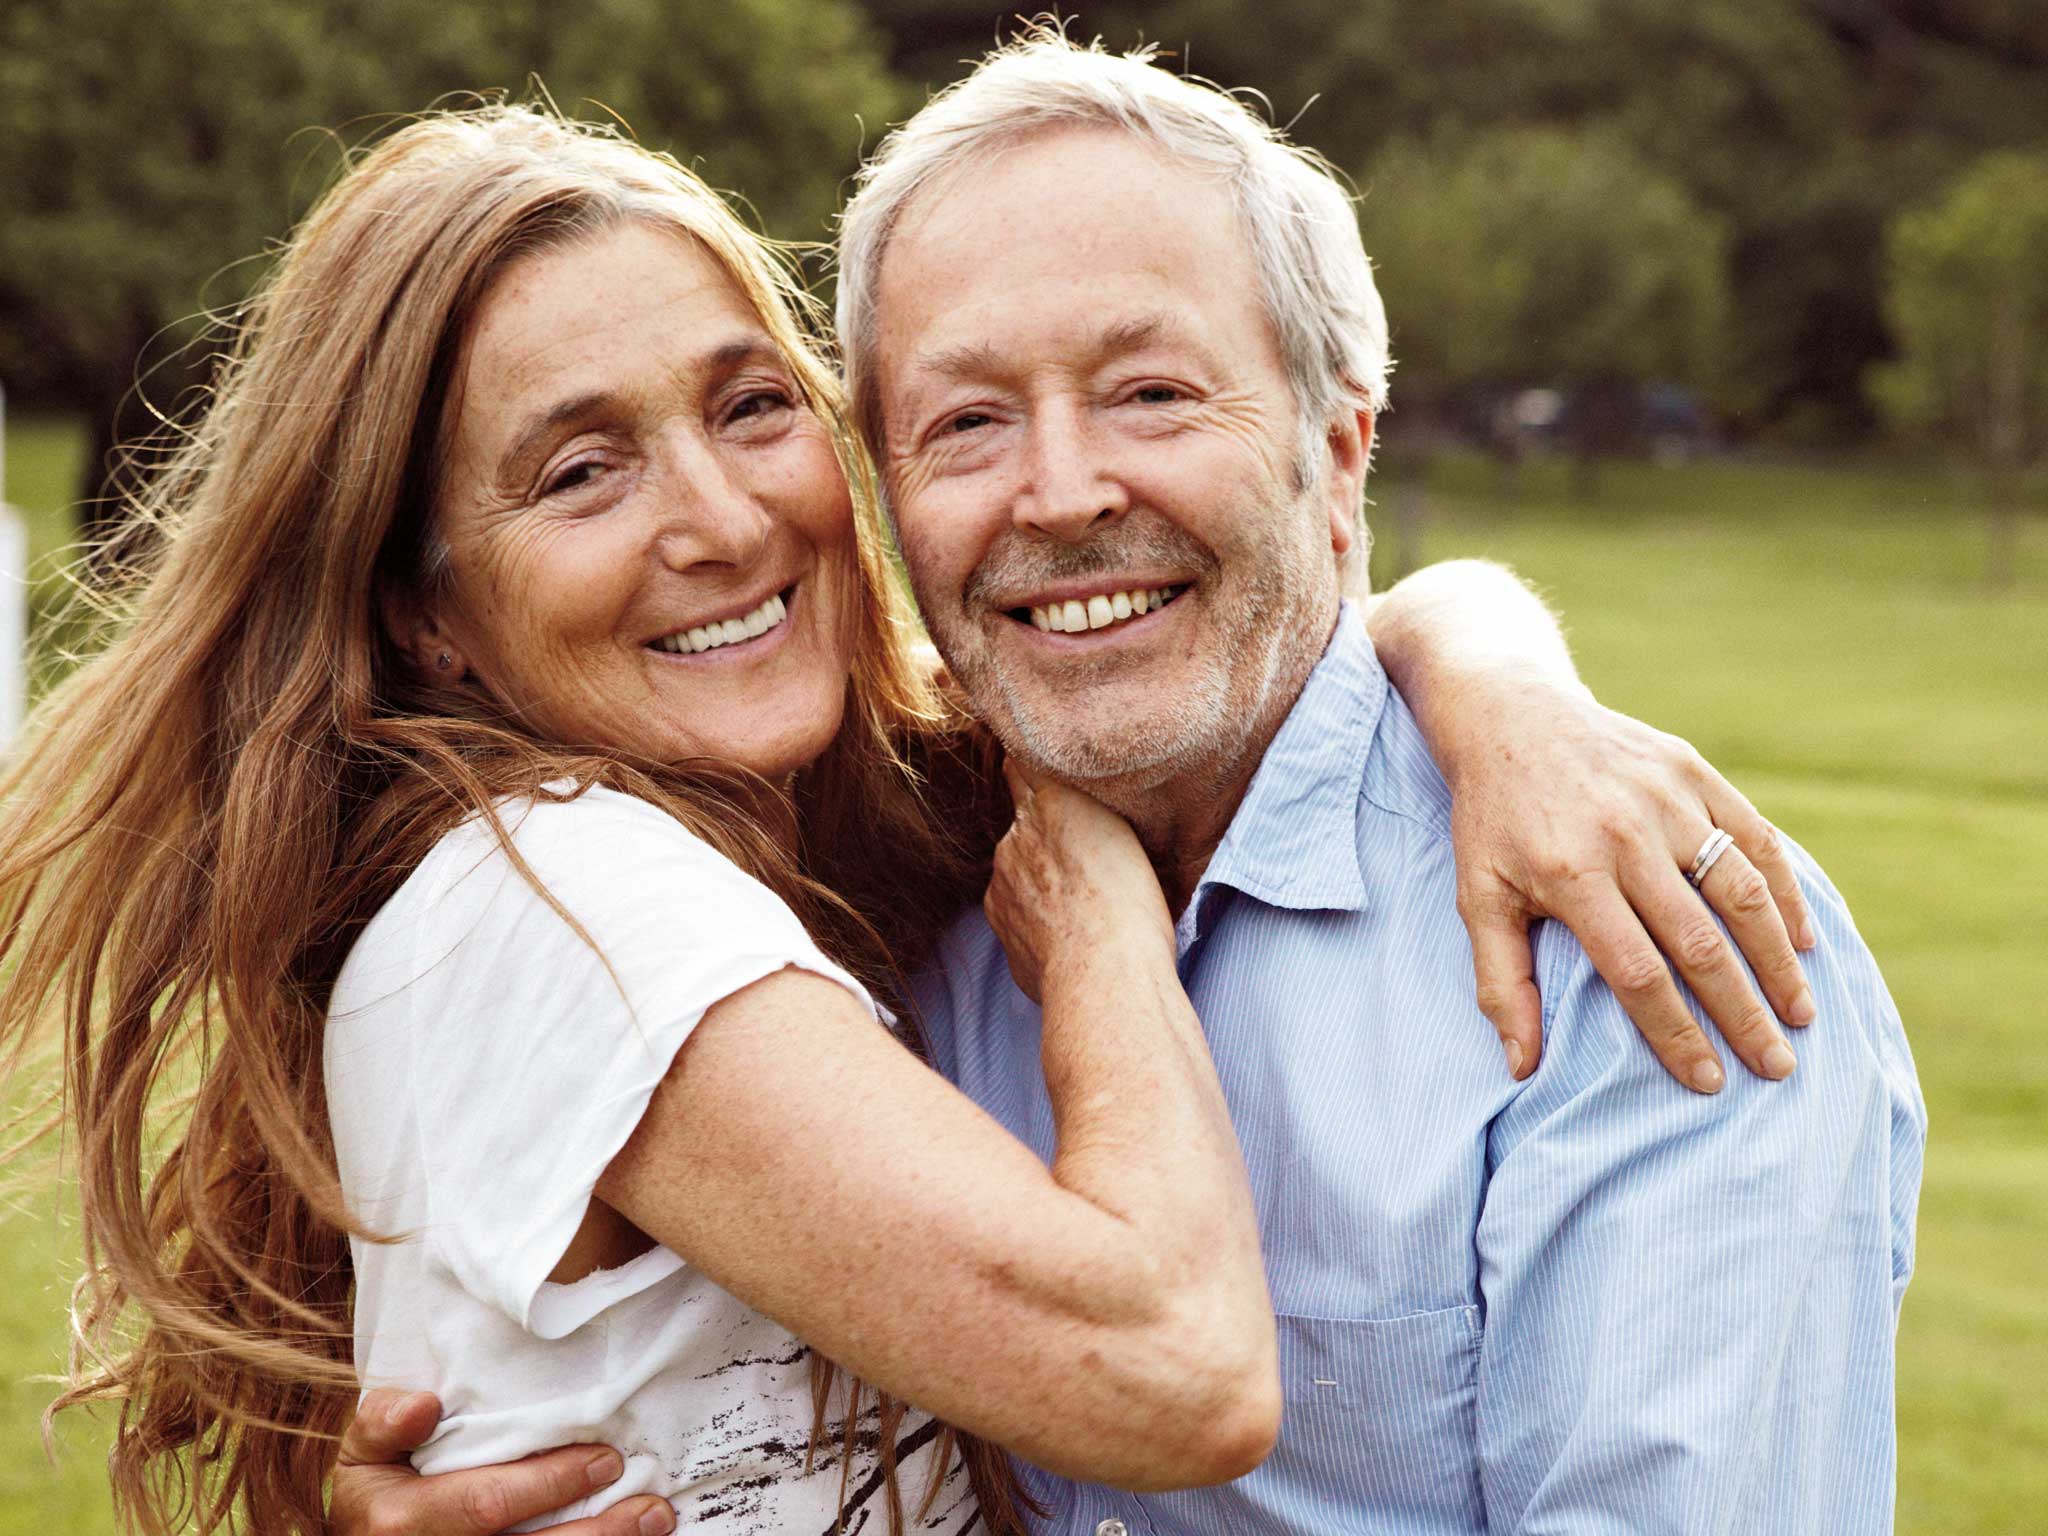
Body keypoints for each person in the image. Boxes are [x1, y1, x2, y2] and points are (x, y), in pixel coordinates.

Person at [3, 102, 1798, 1536]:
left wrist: (1494, 675)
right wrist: (1096, 919)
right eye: (579, 471)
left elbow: (1322, 612)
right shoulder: (575, 906)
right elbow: (1174, 1369)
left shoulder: (855, 863)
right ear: (424, 609)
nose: (722, 518)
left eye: (750, 406)